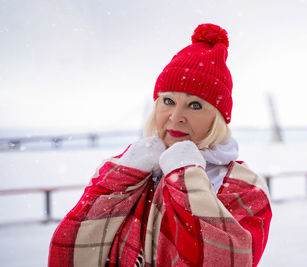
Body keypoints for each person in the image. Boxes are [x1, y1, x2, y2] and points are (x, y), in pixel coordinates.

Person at [48, 23, 272, 267]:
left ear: (217, 118)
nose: (176, 117)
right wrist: (123, 178)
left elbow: (230, 260)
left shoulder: (245, 186)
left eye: (195, 105)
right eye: (168, 100)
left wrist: (185, 176)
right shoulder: (125, 168)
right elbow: (66, 251)